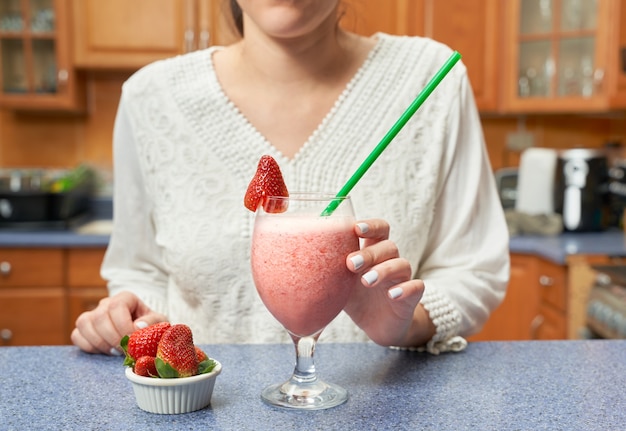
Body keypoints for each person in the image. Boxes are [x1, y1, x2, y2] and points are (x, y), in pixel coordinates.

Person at [71, 0, 509, 356]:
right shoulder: (150, 98)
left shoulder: (431, 78)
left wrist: (404, 325)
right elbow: (141, 270)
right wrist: (130, 315)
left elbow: (474, 269)